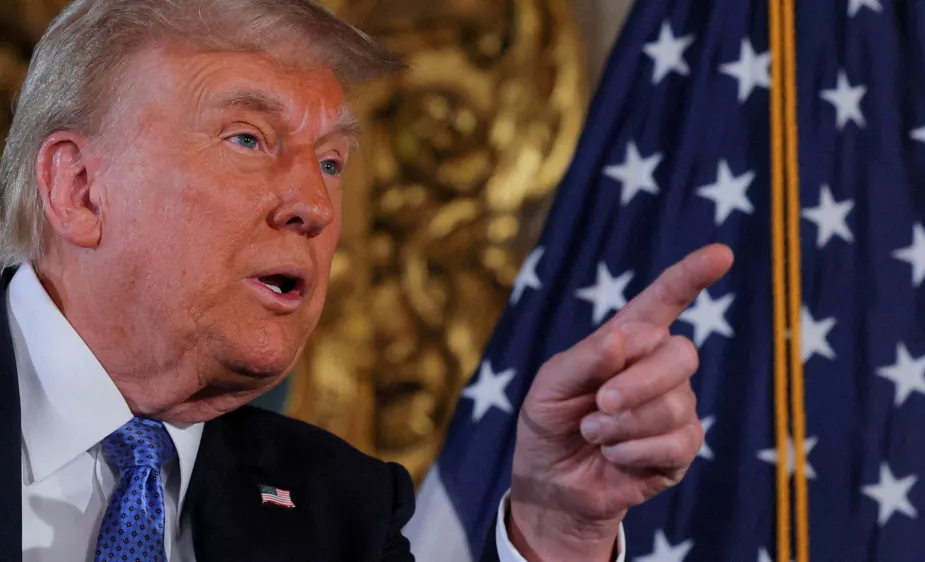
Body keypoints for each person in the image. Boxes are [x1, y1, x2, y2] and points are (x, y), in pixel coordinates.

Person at [0, 0, 734, 560]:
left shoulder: (342, 509)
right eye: (249, 139)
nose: (314, 207)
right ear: (81, 189)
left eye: (330, 162)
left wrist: (557, 527)